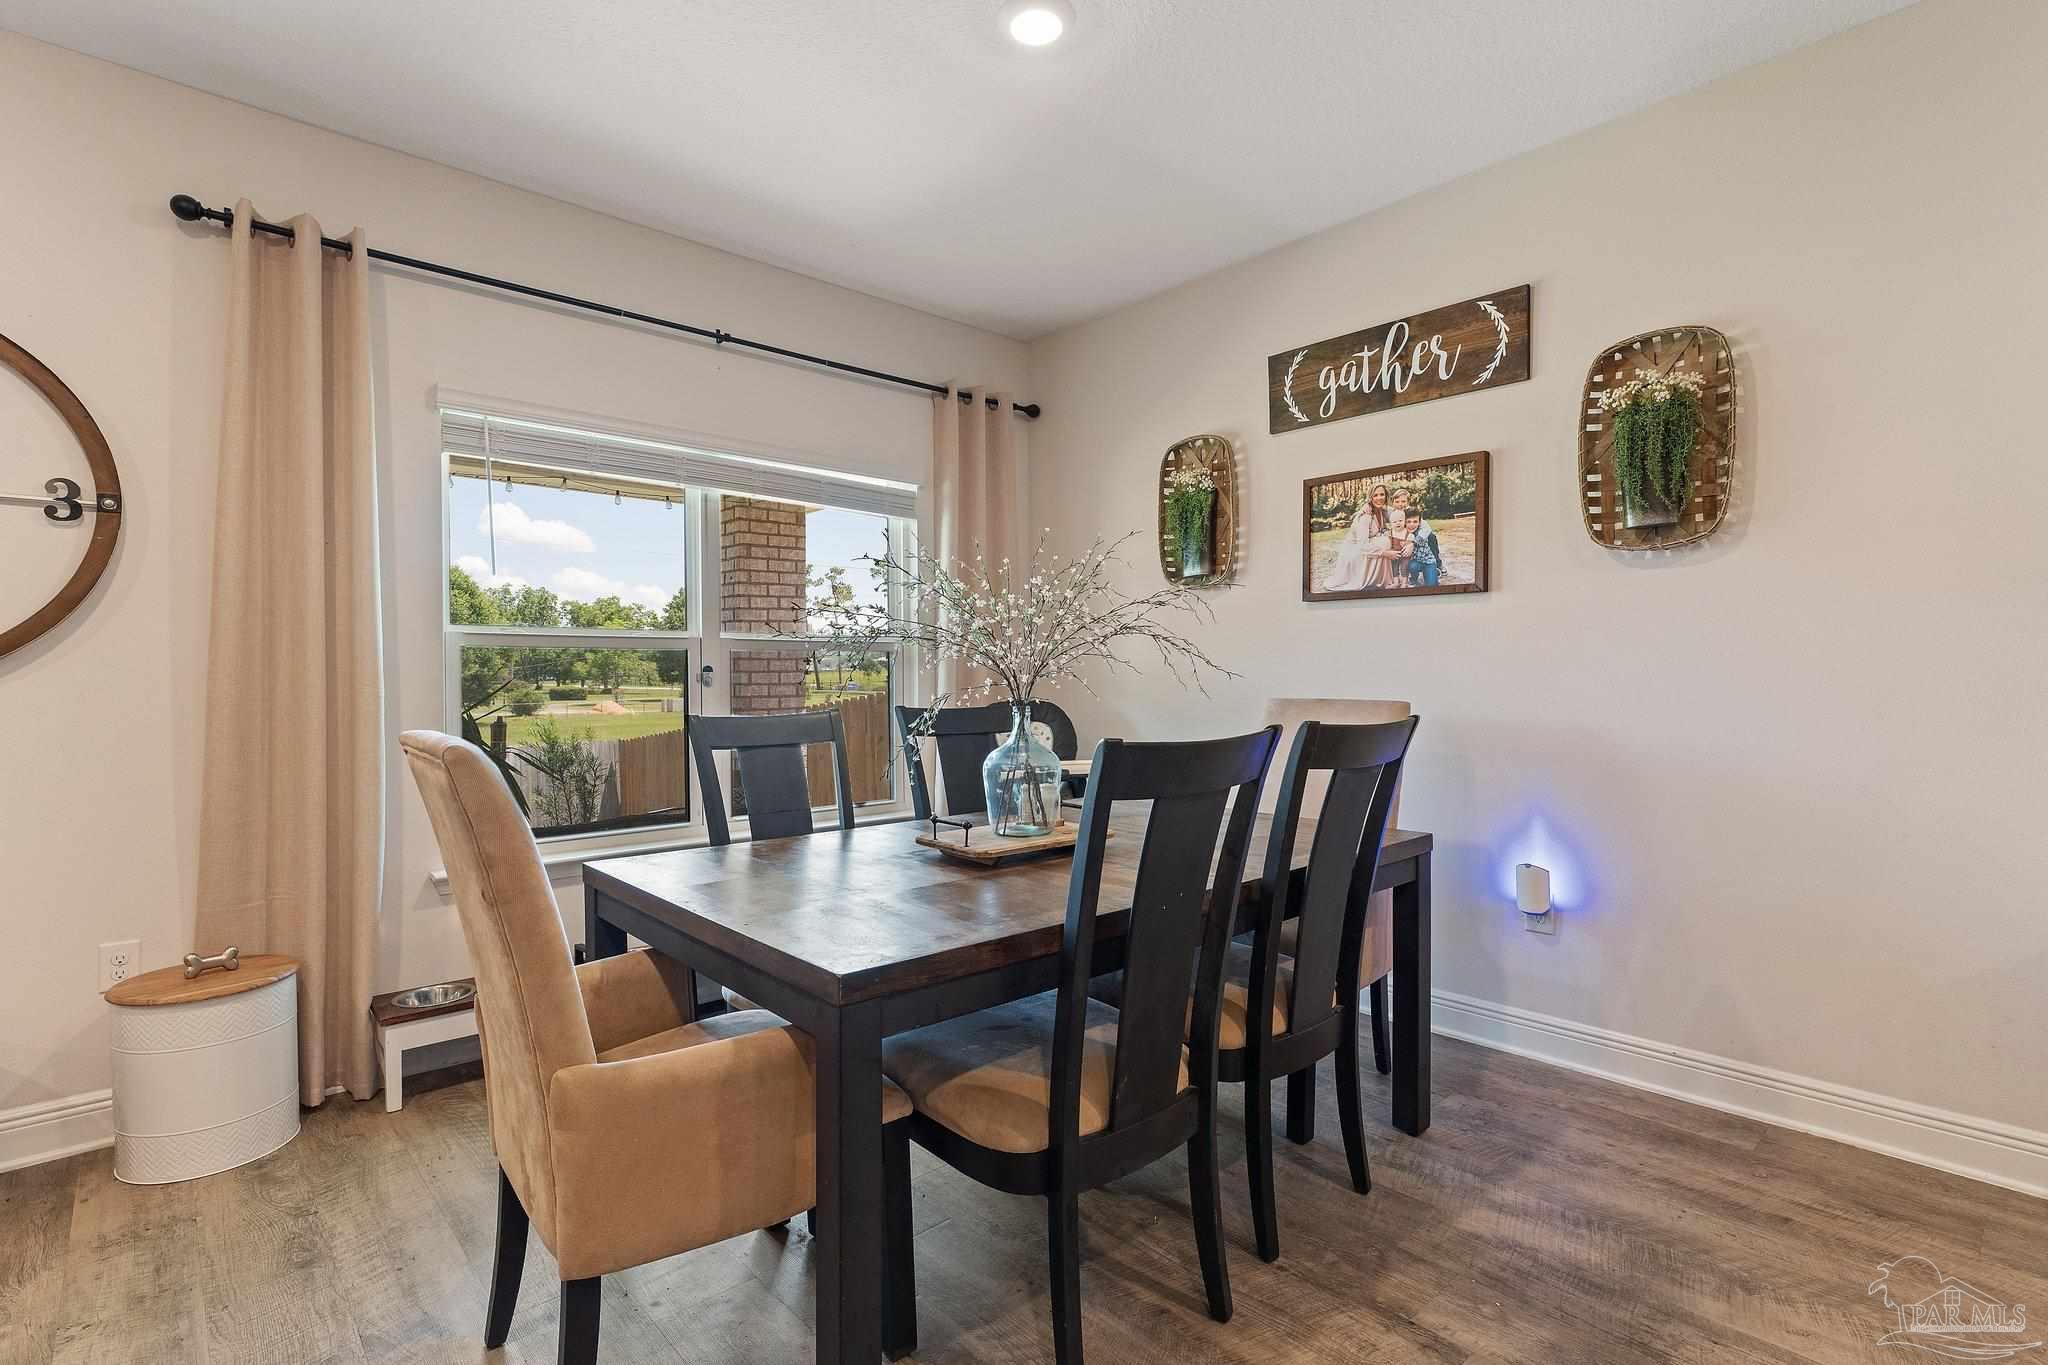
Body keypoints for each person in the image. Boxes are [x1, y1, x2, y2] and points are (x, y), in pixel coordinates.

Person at [1321, 485, 1393, 591]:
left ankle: (1384, 578)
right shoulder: (1365, 516)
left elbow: (1397, 513)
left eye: (1382, 494)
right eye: (1375, 495)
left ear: (1386, 496)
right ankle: (1374, 579)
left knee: (1388, 539)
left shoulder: (1381, 511)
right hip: (1354, 552)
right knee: (1384, 542)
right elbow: (1362, 545)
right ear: (1370, 497)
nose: (1379, 498)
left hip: (1365, 548)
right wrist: (1385, 553)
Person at [1405, 510, 1442, 587]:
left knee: (1432, 586)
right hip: (1414, 563)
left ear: (1419, 523)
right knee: (1412, 566)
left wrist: (1412, 543)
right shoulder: (1402, 533)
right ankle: (1413, 578)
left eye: (1415, 522)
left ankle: (1434, 571)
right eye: (1408, 522)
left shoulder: (1422, 532)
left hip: (1428, 562)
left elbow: (1423, 534)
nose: (1412, 525)